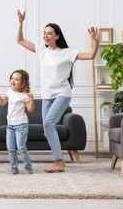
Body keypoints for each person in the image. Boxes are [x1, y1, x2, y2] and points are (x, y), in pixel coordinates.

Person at [16, 10, 99, 173]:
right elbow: (20, 40)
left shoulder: (67, 53)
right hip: (47, 97)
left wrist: (96, 42)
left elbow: (90, 56)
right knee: (48, 129)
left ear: (57, 36)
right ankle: (59, 161)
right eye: (44, 33)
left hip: (62, 94)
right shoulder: (41, 51)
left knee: (48, 124)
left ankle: (59, 161)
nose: (46, 36)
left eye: (49, 33)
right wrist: (21, 22)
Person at [0, 69, 34, 175]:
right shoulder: (9, 92)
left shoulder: (24, 95)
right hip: (10, 125)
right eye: (12, 78)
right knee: (10, 148)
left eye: (17, 79)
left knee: (21, 147)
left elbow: (30, 109)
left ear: (23, 82)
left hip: (21, 125)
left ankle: (29, 168)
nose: (13, 81)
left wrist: (31, 99)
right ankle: (14, 170)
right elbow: (2, 103)